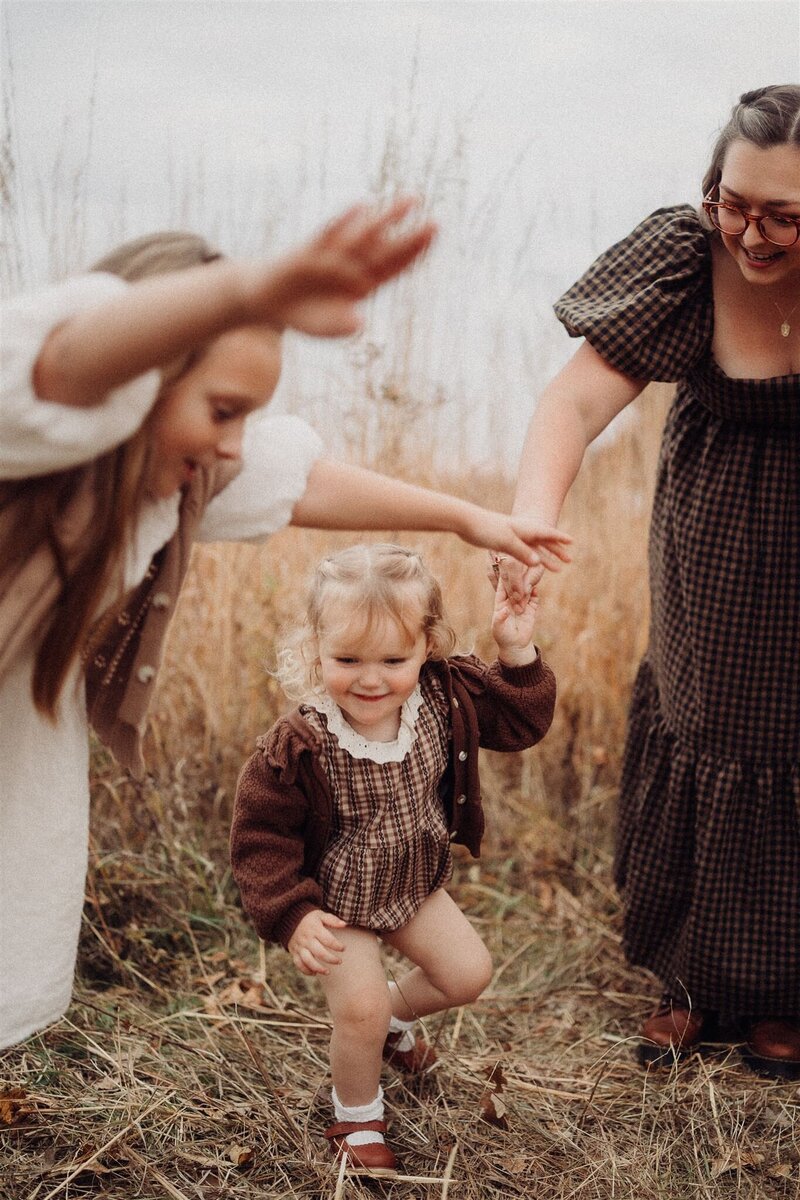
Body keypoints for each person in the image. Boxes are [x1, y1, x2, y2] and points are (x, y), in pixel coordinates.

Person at [0, 200, 572, 1052]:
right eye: (223, 409)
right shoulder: (39, 435)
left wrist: (469, 520)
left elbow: (304, 484)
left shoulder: (178, 477)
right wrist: (250, 287)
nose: (234, 445)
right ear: (140, 380)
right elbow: (66, 363)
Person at [501, 84, 800, 1079]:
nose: (748, 232)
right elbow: (573, 399)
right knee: (707, 719)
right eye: (733, 200)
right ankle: (688, 980)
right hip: (712, 535)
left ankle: (784, 992)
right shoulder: (684, 256)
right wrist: (532, 514)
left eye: (782, 214)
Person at [231, 543, 556, 1174]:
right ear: (315, 648)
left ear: (428, 645)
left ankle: (389, 1023)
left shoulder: (446, 694)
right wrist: (292, 914)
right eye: (347, 659)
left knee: (467, 975)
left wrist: (514, 649)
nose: (371, 679)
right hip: (337, 903)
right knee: (357, 1006)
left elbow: (522, 724)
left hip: (411, 884)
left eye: (393, 658)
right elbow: (259, 838)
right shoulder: (301, 742)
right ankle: (355, 1117)